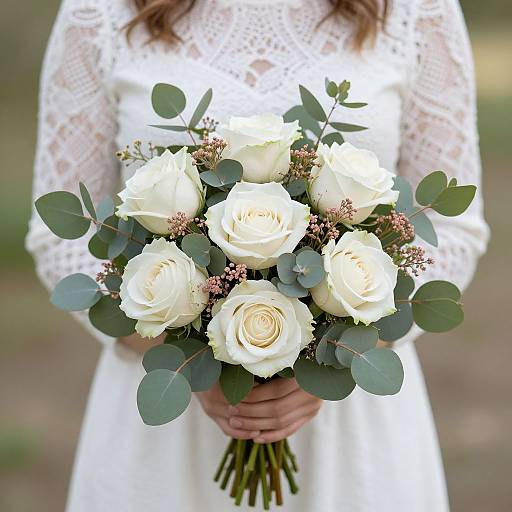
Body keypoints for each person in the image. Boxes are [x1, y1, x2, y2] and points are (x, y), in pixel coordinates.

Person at [26, 0, 489, 510]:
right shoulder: (99, 12)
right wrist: (192, 364)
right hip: (166, 411)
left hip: (351, 415)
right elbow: (61, 238)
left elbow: (451, 226)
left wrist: (338, 360)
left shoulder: (416, 11)